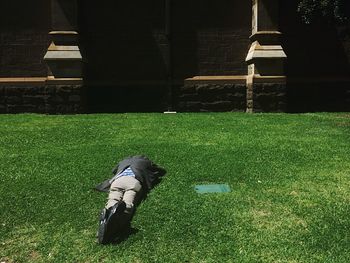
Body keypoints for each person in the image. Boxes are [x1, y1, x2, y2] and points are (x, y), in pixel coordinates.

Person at [94, 155, 166, 244]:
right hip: (133, 181)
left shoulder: (124, 161)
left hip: (117, 181)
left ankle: (107, 214)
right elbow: (160, 171)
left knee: (113, 198)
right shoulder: (146, 163)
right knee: (128, 203)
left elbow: (114, 170)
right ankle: (116, 226)